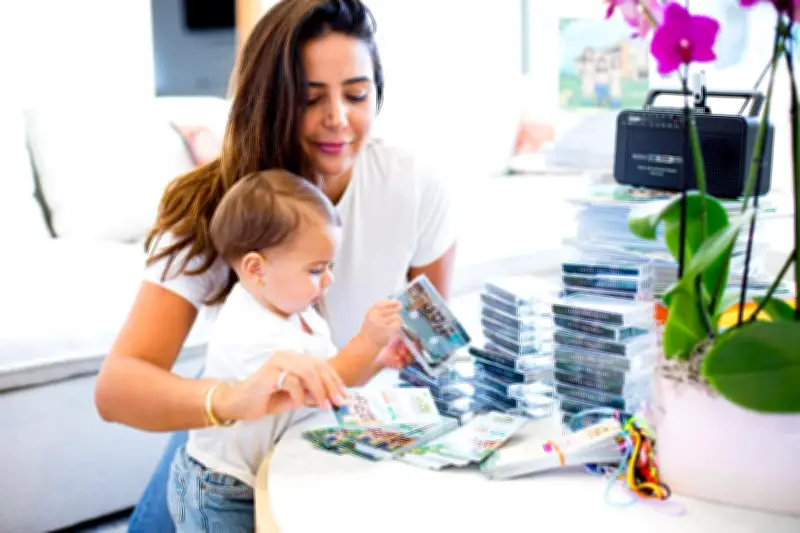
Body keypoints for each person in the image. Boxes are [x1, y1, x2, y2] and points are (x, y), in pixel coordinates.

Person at [93, 0, 457, 531]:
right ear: (272, 102)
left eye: (357, 94)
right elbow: (116, 389)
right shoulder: (222, 203)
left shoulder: (414, 182)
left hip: (332, 422)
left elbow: (433, 343)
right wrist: (232, 399)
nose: (338, 118)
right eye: (311, 98)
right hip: (233, 428)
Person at [167, 169, 406, 532]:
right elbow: (321, 385)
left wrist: (378, 360)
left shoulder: (297, 310)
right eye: (316, 270)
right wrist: (368, 340)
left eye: (329, 266)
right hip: (222, 488)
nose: (329, 280)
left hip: (265, 468)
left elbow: (335, 377)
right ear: (256, 268)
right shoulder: (251, 333)